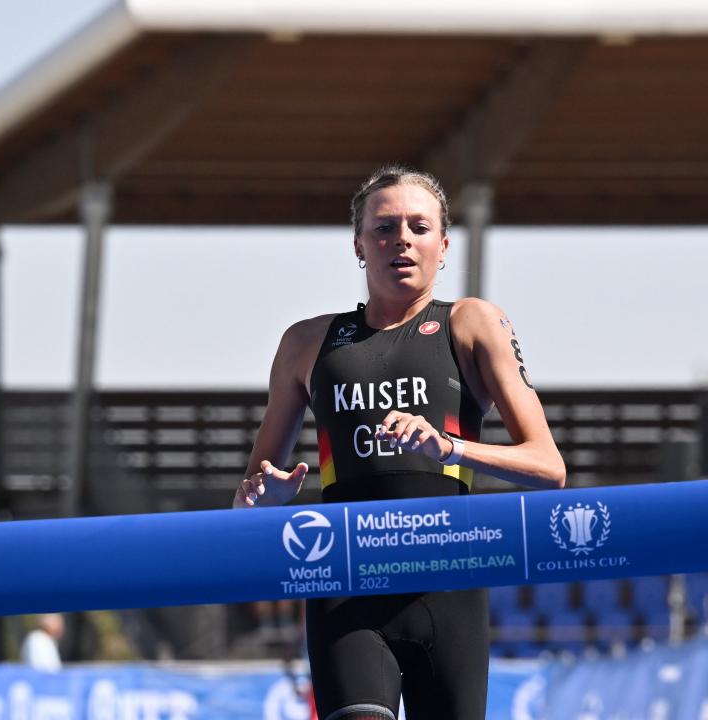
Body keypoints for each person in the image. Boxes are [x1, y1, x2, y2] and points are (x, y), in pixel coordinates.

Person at [233, 166, 565, 720]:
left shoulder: (473, 323)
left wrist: (451, 449)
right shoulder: (307, 343)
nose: (402, 240)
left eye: (418, 226)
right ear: (359, 245)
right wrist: (261, 501)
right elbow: (246, 497)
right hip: (346, 584)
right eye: (384, 228)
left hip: (448, 586)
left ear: (444, 244)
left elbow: (548, 466)